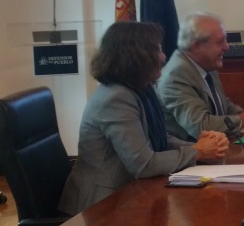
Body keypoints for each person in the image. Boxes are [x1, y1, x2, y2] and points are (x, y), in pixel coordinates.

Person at [58, 22, 229, 215]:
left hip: (130, 195)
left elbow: (160, 138)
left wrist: (201, 146)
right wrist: (197, 152)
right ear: (136, 56)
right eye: (157, 50)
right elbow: (144, 164)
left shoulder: (140, 89)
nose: (164, 57)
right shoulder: (116, 98)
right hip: (100, 209)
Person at [158, 12, 244, 142]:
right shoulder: (176, 75)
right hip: (194, 155)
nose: (226, 47)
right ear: (197, 46)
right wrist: (243, 119)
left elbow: (223, 105)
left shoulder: (206, 64)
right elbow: (202, 127)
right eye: (220, 42)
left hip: (218, 147)